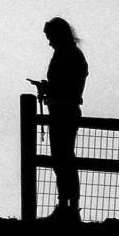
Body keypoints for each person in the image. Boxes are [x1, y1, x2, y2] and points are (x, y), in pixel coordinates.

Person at [34, 17, 88, 223]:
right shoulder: (71, 54)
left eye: (50, 37)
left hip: (63, 111)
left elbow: (67, 87)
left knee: (63, 159)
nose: (49, 42)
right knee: (62, 159)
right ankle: (67, 206)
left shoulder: (69, 55)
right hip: (62, 110)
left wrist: (48, 89)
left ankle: (69, 207)